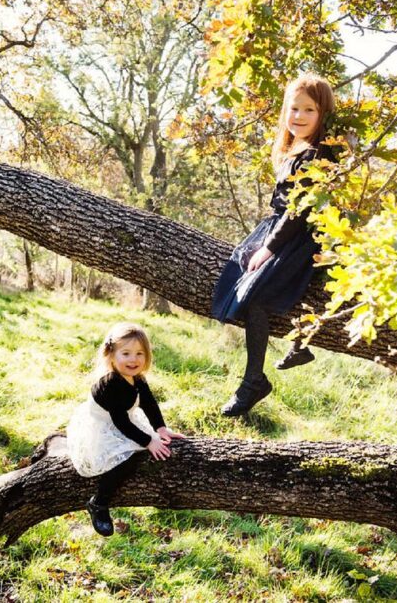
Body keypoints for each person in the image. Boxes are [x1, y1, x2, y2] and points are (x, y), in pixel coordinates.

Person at [210, 73, 335, 416]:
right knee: (243, 285)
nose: (298, 116)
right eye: (293, 108)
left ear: (323, 114)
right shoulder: (294, 150)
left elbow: (298, 212)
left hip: (297, 235)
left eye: (309, 109)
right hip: (279, 228)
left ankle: (254, 381)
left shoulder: (317, 157)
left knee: (256, 296)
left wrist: (269, 249)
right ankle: (290, 350)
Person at [66, 322, 184, 536]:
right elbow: (121, 423)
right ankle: (99, 503)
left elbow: (148, 402)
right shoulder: (111, 383)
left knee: (150, 446)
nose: (134, 359)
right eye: (126, 353)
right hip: (103, 425)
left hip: (125, 418)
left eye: (140, 353)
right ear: (111, 355)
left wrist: (160, 428)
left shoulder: (137, 378)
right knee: (126, 458)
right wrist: (149, 441)